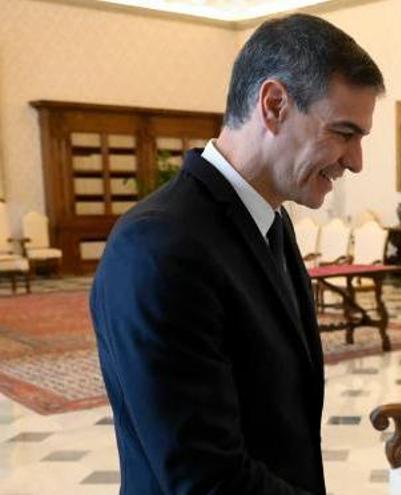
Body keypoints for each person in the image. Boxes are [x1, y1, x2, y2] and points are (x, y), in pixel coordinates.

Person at [90, 14, 383, 494]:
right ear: (274, 105)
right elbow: (206, 478)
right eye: (344, 133)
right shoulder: (159, 246)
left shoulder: (272, 219)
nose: (355, 161)